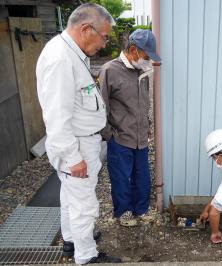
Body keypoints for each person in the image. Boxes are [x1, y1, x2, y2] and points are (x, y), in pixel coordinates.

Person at [36, 3, 121, 264]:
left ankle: (72, 241)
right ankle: (87, 257)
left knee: (70, 196)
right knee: (84, 204)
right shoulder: (61, 58)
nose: (104, 44)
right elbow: (56, 118)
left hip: (82, 141)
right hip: (77, 145)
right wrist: (73, 158)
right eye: (104, 36)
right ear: (86, 29)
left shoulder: (72, 54)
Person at [98, 29, 161, 227]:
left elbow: (143, 104)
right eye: (145, 56)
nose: (147, 61)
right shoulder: (109, 70)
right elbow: (101, 106)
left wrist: (147, 125)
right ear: (133, 49)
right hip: (119, 137)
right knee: (121, 178)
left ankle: (140, 209)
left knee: (142, 176)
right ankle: (123, 212)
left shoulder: (141, 71)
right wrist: (108, 134)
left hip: (140, 136)